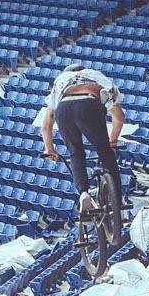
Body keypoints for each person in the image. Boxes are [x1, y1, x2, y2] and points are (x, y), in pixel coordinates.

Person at [37, 64, 126, 220]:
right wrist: (112, 142)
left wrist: (49, 148)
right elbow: (119, 118)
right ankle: (117, 204)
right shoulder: (97, 76)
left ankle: (83, 192)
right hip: (88, 104)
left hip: (63, 109)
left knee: (76, 153)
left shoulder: (61, 80)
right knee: (105, 152)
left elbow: (46, 124)